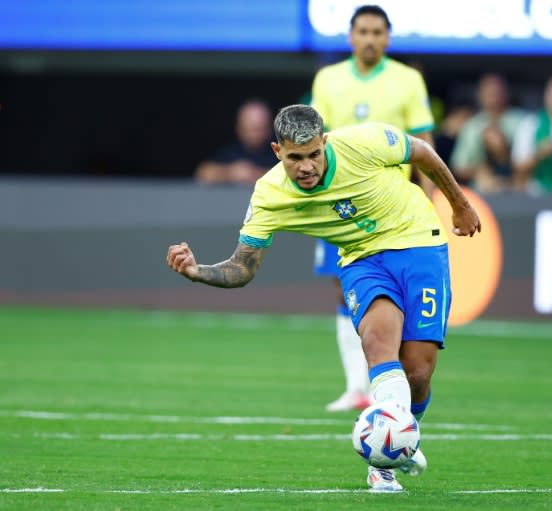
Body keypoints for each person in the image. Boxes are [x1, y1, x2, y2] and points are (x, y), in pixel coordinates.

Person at [167, 104, 480, 492]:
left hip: (418, 241)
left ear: (325, 143)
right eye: (295, 158)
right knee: (378, 341)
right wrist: (199, 272)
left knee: (417, 372)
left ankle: (404, 433)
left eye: (314, 154)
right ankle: (383, 460)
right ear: (277, 151)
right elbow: (242, 268)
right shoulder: (269, 195)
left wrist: (460, 204)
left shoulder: (362, 143)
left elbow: (422, 152)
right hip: (360, 259)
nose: (307, 166)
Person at [310, 4, 437, 412]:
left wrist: (432, 200)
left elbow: (423, 144)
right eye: (362, 31)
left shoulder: (408, 80)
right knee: (341, 289)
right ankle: (356, 387)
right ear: (351, 36)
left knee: (394, 299)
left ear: (388, 37)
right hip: (339, 207)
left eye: (377, 32)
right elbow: (314, 145)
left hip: (395, 212)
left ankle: (385, 386)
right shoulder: (328, 79)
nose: (369, 39)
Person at [450, 74, 526, 193]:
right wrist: (479, 171)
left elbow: (529, 159)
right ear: (480, 95)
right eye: (489, 93)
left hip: (518, 190)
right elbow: (458, 166)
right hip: (481, 192)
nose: (493, 98)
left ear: (506, 94)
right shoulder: (472, 126)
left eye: (497, 93)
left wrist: (503, 151)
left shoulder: (520, 121)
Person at [195, 100, 276, 185]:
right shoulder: (231, 152)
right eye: (249, 129)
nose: (254, 135)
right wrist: (230, 172)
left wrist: (255, 174)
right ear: (238, 128)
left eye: (258, 129)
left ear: (269, 129)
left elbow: (288, 177)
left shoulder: (278, 152)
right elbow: (202, 173)